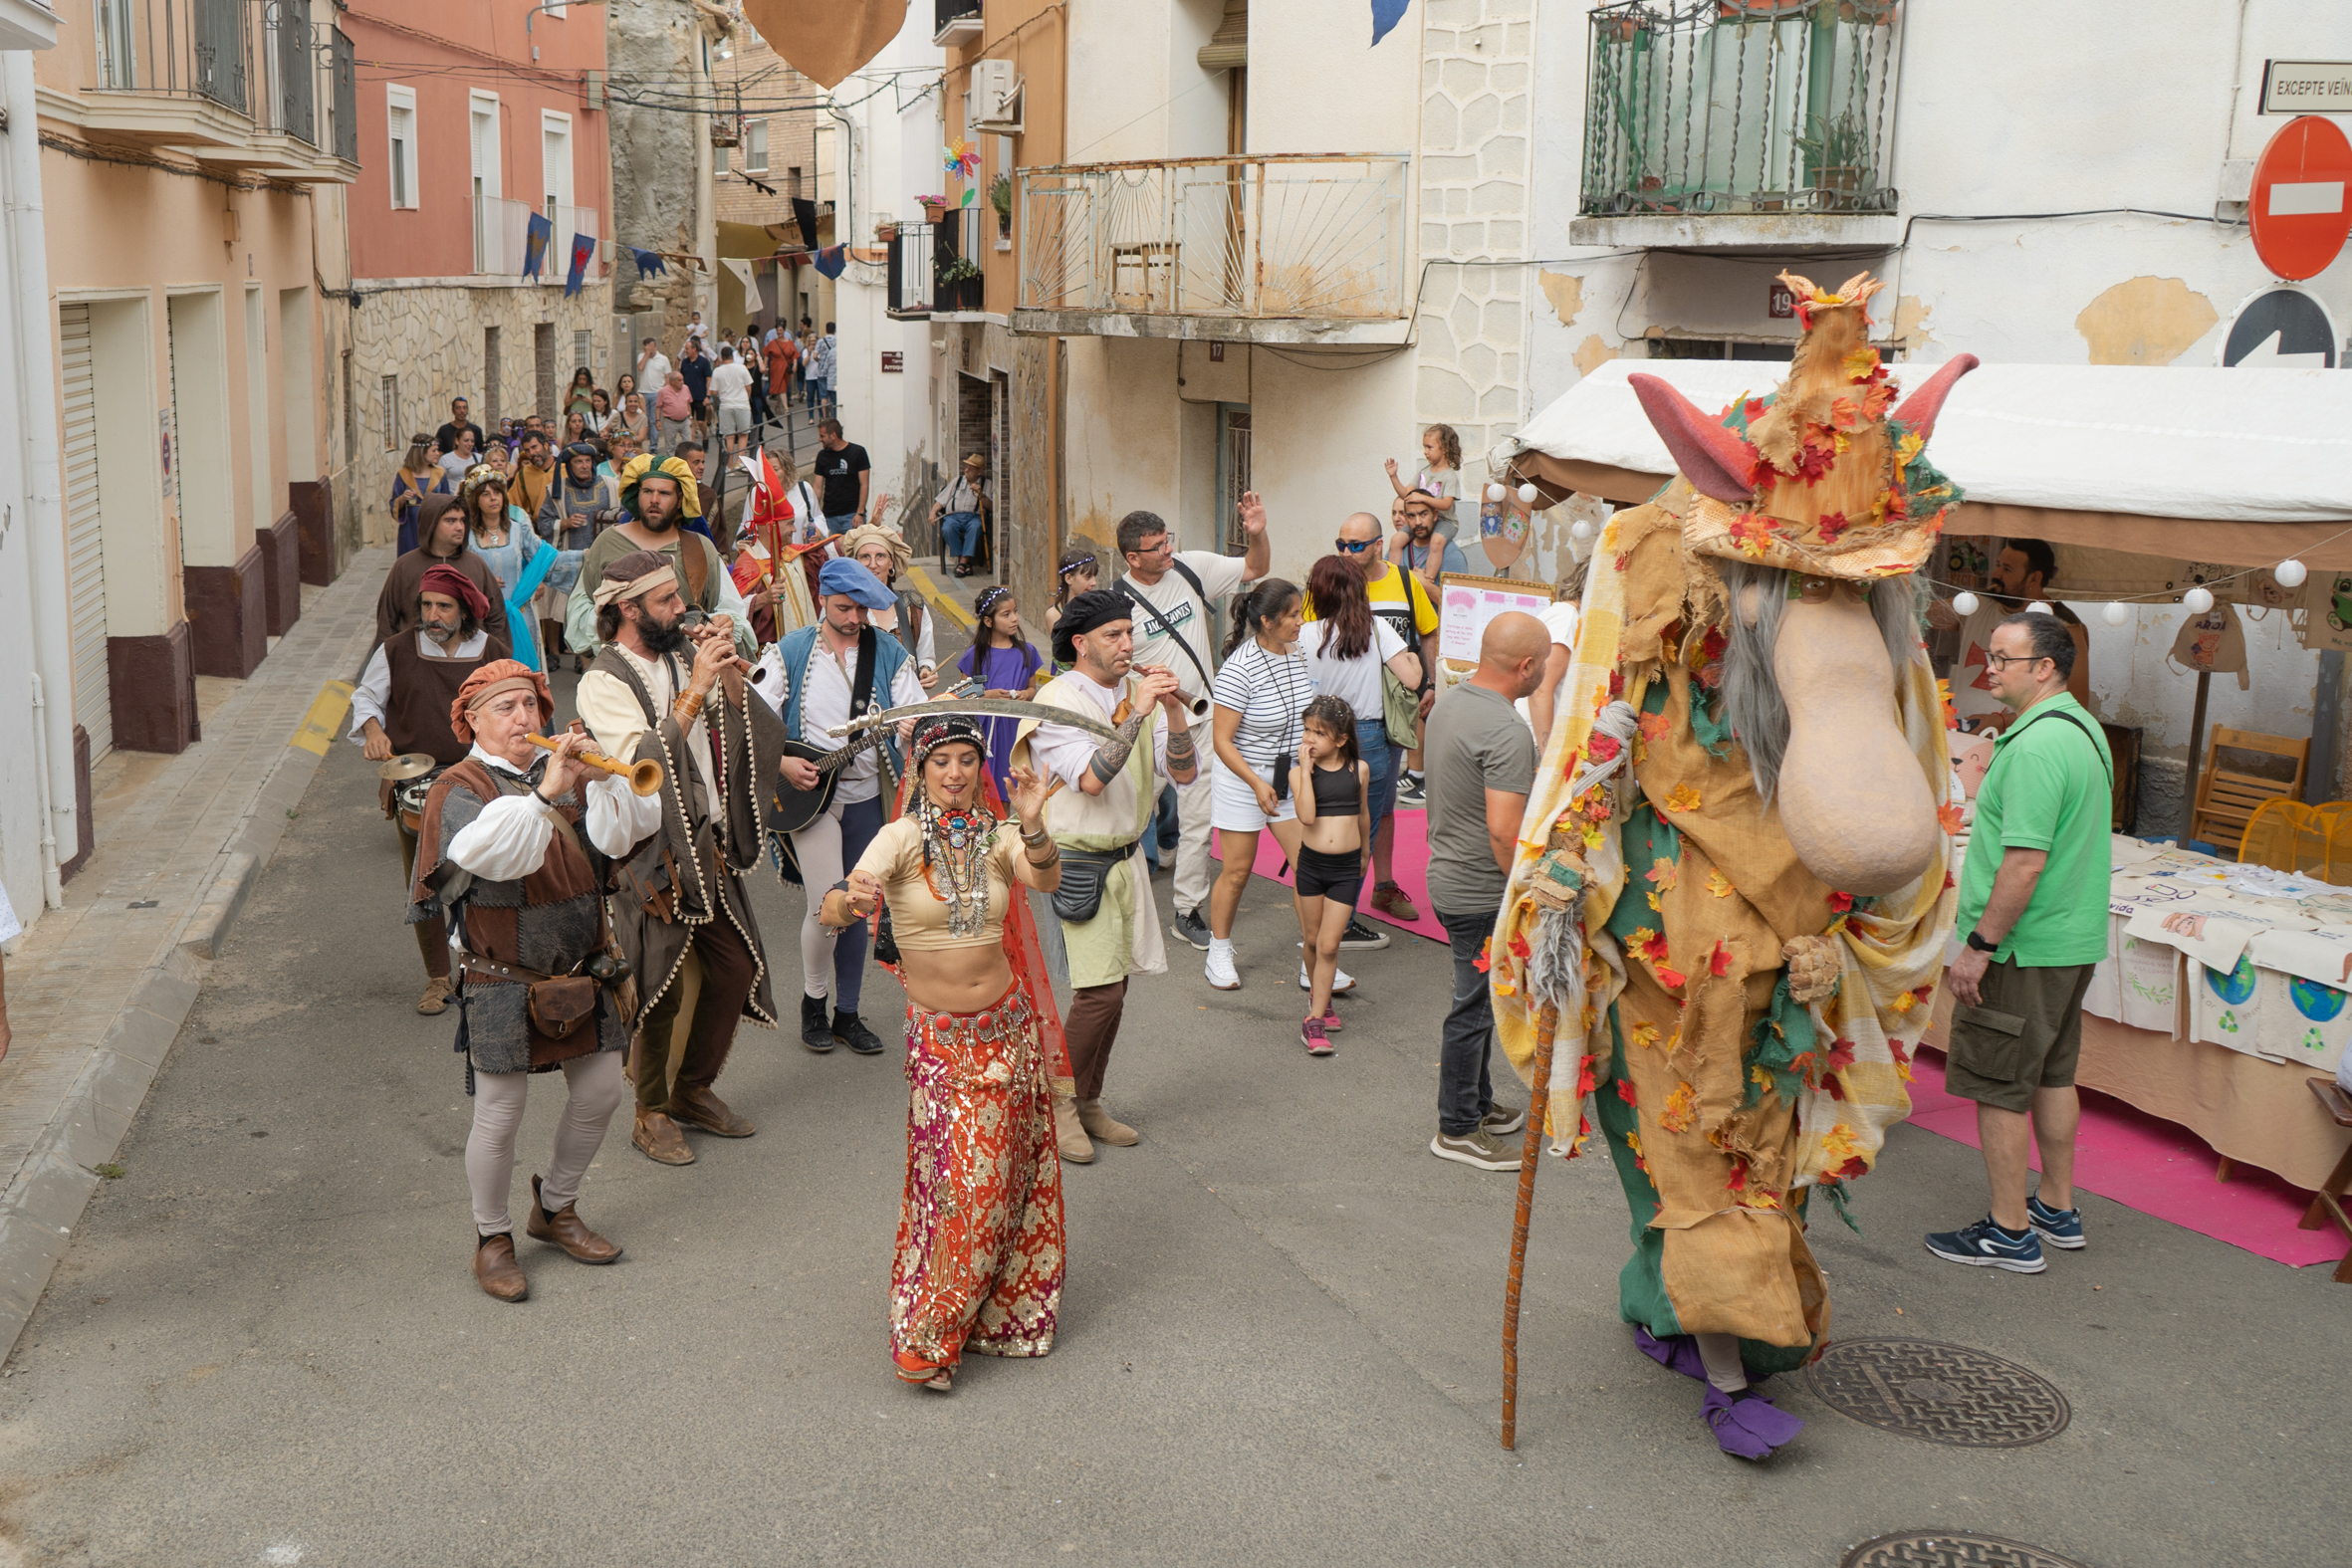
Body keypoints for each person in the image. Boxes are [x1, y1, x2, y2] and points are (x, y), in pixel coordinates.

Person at [822, 717, 1069, 1390]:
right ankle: (931, 1337)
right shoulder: (901, 837)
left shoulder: (997, 835)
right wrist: (850, 900)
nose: (955, 773)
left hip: (1008, 1031)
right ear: (921, 769)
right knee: (961, 1187)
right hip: (941, 1044)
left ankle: (986, 1315)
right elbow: (834, 905)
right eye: (942, 762)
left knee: (1005, 1180)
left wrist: (1033, 823)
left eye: (966, 760)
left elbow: (1046, 880)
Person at [408, 661, 664, 1302]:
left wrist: (608, 783)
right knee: (500, 1113)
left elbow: (620, 840)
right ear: (472, 720)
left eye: (530, 704)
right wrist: (546, 794)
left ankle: (554, 1206)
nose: (524, 718)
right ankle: (492, 1236)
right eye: (506, 708)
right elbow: (491, 857)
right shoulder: (458, 786)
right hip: (501, 973)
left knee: (601, 1092)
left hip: (581, 965)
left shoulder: (563, 771)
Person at [577, 552, 790, 1167]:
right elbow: (639, 764)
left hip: (704, 844)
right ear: (627, 609)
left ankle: (692, 1089)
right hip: (651, 855)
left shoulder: (676, 657)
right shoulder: (601, 680)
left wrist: (726, 674)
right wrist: (696, 687)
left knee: (735, 969)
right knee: (659, 988)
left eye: (677, 596)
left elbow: (734, 730)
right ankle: (650, 1113)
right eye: (666, 600)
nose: (681, 608)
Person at [1928, 611, 2113, 1273]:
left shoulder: (2035, 745)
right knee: (2053, 1073)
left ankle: (2010, 1229)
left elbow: (2026, 863)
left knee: (1999, 1083)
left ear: (2045, 667)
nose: (1990, 668)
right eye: (1992, 656)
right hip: (2069, 937)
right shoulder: (2080, 727)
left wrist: (1979, 945)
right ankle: (2056, 1206)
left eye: (2003, 658)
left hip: (2022, 945)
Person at [1013, 590, 1199, 1163]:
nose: (1127, 644)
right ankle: (1056, 1104)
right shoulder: (1057, 699)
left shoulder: (1134, 694)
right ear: (1081, 643)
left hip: (1125, 858)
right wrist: (1139, 711)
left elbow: (1183, 772)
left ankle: (1088, 1100)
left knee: (1116, 990)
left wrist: (1173, 710)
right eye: (1113, 635)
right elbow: (1090, 780)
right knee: (1099, 994)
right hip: (1076, 861)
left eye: (1129, 632)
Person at [760, 558, 926, 1057]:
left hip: (867, 795)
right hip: (810, 801)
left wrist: (912, 727)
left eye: (861, 610)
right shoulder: (790, 652)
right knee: (829, 905)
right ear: (822, 601)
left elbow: (914, 717)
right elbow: (752, 719)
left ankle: (848, 1013)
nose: (854, 619)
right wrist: (783, 760)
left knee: (862, 903)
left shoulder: (889, 652)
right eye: (843, 608)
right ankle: (814, 1001)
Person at [350, 551, 514, 1014]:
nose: (432, 615)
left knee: (486, 875)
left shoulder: (491, 652)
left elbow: (516, 706)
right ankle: (438, 977)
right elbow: (366, 696)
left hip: (481, 776)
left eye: (443, 606)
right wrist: (374, 730)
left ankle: (487, 967)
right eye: (426, 605)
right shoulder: (397, 649)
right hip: (416, 780)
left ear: (464, 610)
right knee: (425, 880)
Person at [1114, 497, 1272, 952]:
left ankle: (1186, 910)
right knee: (1127, 816)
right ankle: (1111, 900)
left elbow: (1255, 567)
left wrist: (1257, 532)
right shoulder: (1117, 602)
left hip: (1198, 721)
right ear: (1132, 557)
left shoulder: (1189, 567)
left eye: (1168, 540)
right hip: (1145, 729)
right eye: (1157, 547)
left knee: (1198, 821)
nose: (1168, 550)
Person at [1420, 611, 1543, 1171]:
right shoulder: (1507, 729)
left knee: (1485, 1002)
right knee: (1473, 1008)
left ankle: (1476, 1102)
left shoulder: (1452, 700)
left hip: (1449, 874)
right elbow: (1503, 831)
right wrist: (1524, 892)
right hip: (1480, 890)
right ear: (1527, 666)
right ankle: (1457, 1128)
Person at [1297, 551, 1424, 950]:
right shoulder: (1376, 628)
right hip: (1366, 736)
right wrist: (1412, 657)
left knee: (1318, 822)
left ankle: (1319, 920)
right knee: (1362, 829)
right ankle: (1344, 922)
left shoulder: (1305, 633)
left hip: (1316, 735)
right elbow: (1412, 678)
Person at [1203, 577, 1317, 993]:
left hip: (1289, 776)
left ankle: (1315, 960)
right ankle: (1218, 951)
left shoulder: (1297, 652)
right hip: (1242, 779)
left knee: (1309, 869)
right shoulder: (1239, 669)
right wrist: (1254, 782)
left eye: (1300, 612)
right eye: (1292, 615)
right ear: (1267, 621)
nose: (1301, 621)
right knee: (1236, 871)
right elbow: (1221, 741)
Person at [565, 454, 756, 664]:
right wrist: (621, 627)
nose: (654, 499)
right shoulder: (607, 542)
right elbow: (579, 610)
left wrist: (724, 621)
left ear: (680, 499)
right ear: (638, 494)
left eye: (664, 493)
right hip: (621, 668)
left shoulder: (699, 548)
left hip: (689, 669)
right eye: (647, 491)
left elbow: (730, 608)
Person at [1932, 539, 2093, 733]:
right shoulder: (1974, 605)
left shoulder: (2065, 628)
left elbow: (2076, 703)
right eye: (1998, 565)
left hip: (2021, 740)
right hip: (1963, 736)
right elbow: (1921, 615)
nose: (1996, 574)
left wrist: (2002, 721)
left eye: (2007, 569)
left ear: (2034, 579)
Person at [1289, 696, 1370, 1055]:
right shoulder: (1297, 773)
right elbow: (1307, 816)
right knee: (1311, 940)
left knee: (1329, 944)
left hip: (1345, 869)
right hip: (1312, 867)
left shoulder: (1358, 770)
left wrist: (1365, 852)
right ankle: (1320, 999)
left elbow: (1363, 813)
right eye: (1307, 730)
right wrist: (1305, 771)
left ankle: (1314, 1020)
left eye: (1319, 733)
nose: (1309, 738)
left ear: (1341, 739)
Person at [457, 467, 570, 674]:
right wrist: (481, 579)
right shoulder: (466, 535)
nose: (493, 498)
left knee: (522, 674)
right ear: (476, 501)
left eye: (497, 492)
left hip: (520, 615)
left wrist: (586, 558)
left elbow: (546, 558)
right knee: (490, 674)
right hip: (482, 617)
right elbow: (454, 571)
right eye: (485, 494)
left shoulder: (519, 529)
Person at [376, 491, 512, 649]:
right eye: (450, 521)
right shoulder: (405, 566)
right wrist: (389, 658)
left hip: (469, 659)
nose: (460, 527)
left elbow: (497, 617)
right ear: (431, 524)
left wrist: (494, 655)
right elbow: (387, 621)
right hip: (416, 657)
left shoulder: (476, 565)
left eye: (462, 520)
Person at [538, 442, 623, 670]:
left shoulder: (611, 486)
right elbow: (543, 523)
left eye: (588, 461)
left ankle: (592, 652)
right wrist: (564, 523)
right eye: (578, 461)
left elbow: (625, 516)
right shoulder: (555, 491)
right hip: (570, 557)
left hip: (604, 558)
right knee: (565, 605)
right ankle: (558, 652)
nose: (584, 465)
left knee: (601, 605)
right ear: (569, 465)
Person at [955, 585, 1046, 789]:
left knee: (1011, 787)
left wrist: (1025, 694)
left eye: (1015, 611)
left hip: (1015, 729)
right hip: (984, 731)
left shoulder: (1027, 652)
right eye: (1006, 614)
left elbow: (1032, 689)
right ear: (988, 621)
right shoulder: (975, 654)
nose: (1014, 618)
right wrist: (988, 694)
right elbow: (960, 695)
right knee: (984, 790)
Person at [840, 524, 938, 691]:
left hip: (906, 699)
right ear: (855, 563)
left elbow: (925, 656)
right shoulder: (841, 605)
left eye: (880, 556)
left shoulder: (912, 605)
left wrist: (926, 670)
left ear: (891, 562)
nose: (873, 564)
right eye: (865, 557)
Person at [1524, 557, 1587, 753]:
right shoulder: (1567, 619)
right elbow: (1540, 689)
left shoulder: (1564, 615)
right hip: (1535, 742)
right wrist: (1547, 755)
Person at [1385, 422, 1463, 542]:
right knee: (1396, 540)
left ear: (1445, 448)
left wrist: (1422, 498)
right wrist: (1393, 476)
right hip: (1423, 520)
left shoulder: (1449, 476)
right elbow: (1405, 495)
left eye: (1429, 447)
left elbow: (1446, 504)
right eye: (1424, 447)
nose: (1425, 451)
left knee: (1436, 541)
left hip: (1444, 522)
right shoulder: (1423, 471)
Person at [390, 433, 450, 555]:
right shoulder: (403, 474)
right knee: (411, 557)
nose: (437, 453)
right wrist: (403, 498)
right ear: (422, 452)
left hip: (434, 523)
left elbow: (448, 500)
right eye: (434, 450)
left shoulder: (440, 473)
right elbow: (394, 503)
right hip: (411, 525)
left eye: (437, 450)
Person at [932, 455, 991, 577]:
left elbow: (991, 507)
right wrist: (932, 513)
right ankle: (964, 562)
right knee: (947, 529)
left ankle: (962, 563)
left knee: (975, 528)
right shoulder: (957, 481)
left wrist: (981, 494)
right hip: (953, 516)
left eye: (971, 468)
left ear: (979, 471)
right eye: (966, 467)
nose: (966, 470)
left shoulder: (986, 484)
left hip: (974, 517)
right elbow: (942, 500)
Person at [813, 420, 870, 535]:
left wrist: (860, 513)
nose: (819, 439)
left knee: (853, 546)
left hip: (852, 515)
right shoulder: (822, 456)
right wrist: (812, 512)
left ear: (833, 435)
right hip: (829, 516)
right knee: (830, 546)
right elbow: (817, 487)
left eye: (822, 436)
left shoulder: (858, 452)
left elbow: (864, 484)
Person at [1045, 547, 1098, 655]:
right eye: (1088, 577)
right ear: (1068, 578)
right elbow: (1064, 654)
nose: (1094, 582)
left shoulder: (1096, 608)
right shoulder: (1054, 615)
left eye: (1094, 576)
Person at [709, 343, 755, 457]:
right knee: (743, 434)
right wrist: (746, 399)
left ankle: (729, 465)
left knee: (729, 436)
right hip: (742, 404)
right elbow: (748, 387)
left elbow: (713, 392)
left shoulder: (717, 371)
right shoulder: (741, 368)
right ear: (732, 356)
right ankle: (740, 461)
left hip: (725, 406)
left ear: (721, 357)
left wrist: (722, 392)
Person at [509, 430, 557, 525]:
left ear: (546, 445)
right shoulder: (523, 474)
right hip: (539, 528)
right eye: (527, 450)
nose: (531, 453)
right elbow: (512, 503)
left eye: (534, 447)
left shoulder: (565, 468)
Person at [678, 336, 713, 443]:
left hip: (700, 397)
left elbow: (709, 379)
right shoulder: (684, 362)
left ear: (694, 349)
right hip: (687, 398)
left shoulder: (704, 362)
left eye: (687, 348)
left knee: (701, 421)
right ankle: (692, 443)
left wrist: (707, 396)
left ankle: (705, 436)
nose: (685, 350)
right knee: (690, 422)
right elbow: (681, 378)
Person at [763, 328, 799, 425]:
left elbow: (795, 354)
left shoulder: (790, 342)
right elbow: (766, 354)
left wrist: (795, 365)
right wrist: (764, 366)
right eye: (777, 331)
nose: (779, 332)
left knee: (782, 387)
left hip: (786, 367)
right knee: (781, 387)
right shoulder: (773, 342)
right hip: (776, 367)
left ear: (784, 331)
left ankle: (777, 405)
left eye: (780, 330)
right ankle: (786, 409)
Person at [653, 372, 693, 455]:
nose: (682, 382)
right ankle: (671, 461)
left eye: (682, 380)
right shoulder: (663, 391)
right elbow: (658, 406)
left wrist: (690, 417)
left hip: (685, 421)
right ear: (672, 382)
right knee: (670, 446)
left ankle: (686, 460)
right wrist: (658, 420)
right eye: (679, 380)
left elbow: (688, 403)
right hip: (670, 422)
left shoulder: (686, 388)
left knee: (688, 443)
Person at [810, 322, 838, 418]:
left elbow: (814, 356)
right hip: (833, 371)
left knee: (823, 396)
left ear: (826, 330)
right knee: (834, 397)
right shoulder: (837, 340)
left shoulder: (820, 341)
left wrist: (820, 361)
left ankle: (825, 417)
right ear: (835, 330)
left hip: (822, 371)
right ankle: (834, 416)